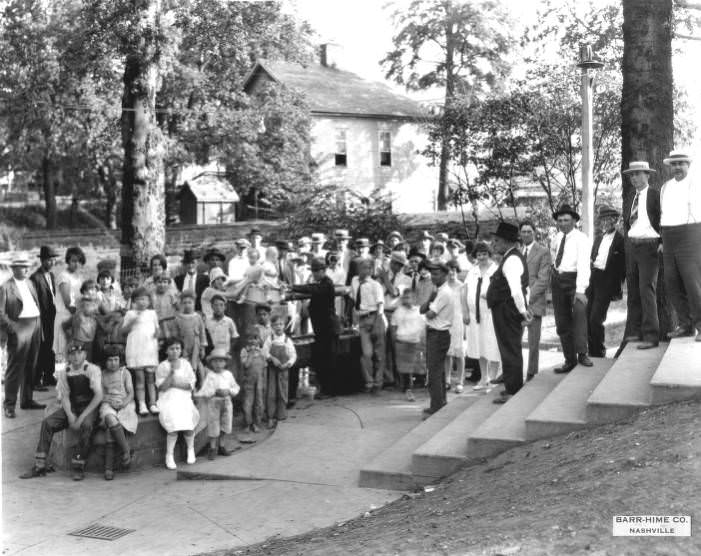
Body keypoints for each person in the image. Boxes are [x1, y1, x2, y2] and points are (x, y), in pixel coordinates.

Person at [20, 341, 103, 480]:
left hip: (89, 408)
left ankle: (78, 465)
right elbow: (64, 396)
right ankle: (40, 465)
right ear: (69, 357)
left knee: (87, 426)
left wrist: (81, 418)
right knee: (48, 423)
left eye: (79, 353)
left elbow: (99, 396)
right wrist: (70, 416)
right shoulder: (66, 372)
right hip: (73, 407)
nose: (76, 357)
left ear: (85, 354)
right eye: (72, 354)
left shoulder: (91, 369)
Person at [659, 150, 701, 341]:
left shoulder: (696, 183)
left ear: (688, 165)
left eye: (681, 163)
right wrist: (662, 240)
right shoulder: (665, 187)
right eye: (674, 164)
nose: (677, 167)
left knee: (693, 284)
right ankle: (685, 325)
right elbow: (663, 215)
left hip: (690, 234)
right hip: (668, 237)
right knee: (672, 283)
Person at [487, 223, 530, 404]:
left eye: (496, 240)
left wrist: (522, 311)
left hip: (508, 310)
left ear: (506, 241)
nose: (493, 244)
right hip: (506, 309)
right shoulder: (508, 257)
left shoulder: (511, 260)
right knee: (508, 347)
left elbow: (516, 289)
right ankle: (511, 387)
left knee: (510, 348)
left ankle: (514, 390)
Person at [622, 161, 662, 349]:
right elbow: (629, 223)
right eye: (631, 175)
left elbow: (664, 219)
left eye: (638, 174)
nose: (634, 178)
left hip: (650, 247)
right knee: (634, 292)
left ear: (647, 175)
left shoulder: (655, 195)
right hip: (633, 246)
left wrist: (662, 242)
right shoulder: (631, 197)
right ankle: (635, 332)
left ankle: (651, 336)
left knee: (647, 290)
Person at [550, 204, 592, 373]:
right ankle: (569, 359)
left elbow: (584, 265)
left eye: (566, 220)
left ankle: (582, 354)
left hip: (575, 281)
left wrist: (580, 289)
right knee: (562, 322)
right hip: (558, 280)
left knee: (579, 318)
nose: (563, 223)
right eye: (560, 220)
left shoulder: (581, 238)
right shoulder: (557, 237)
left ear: (574, 221)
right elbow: (554, 256)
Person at [289, 258, 340, 398]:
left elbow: (312, 288)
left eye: (317, 271)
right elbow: (312, 287)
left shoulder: (327, 284)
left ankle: (329, 390)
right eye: (314, 271)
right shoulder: (320, 283)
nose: (315, 273)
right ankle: (326, 389)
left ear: (324, 270)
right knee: (322, 359)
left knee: (328, 360)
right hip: (322, 329)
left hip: (328, 329)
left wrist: (292, 287)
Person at [0, 258, 44, 417]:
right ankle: (9, 406)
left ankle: (27, 400)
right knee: (14, 368)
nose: (26, 269)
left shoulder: (30, 283)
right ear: (14, 268)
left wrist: (39, 325)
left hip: (35, 325)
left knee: (31, 365)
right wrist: (14, 329)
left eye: (27, 267)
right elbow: (0, 313)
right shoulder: (5, 287)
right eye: (22, 267)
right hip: (20, 327)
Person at [586, 206, 626, 358]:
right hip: (593, 279)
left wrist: (616, 285)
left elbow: (623, 267)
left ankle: (599, 351)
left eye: (609, 219)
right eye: (603, 220)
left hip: (606, 281)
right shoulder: (598, 238)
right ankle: (592, 350)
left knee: (596, 318)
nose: (606, 223)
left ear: (615, 221)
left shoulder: (620, 240)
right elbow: (593, 257)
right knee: (587, 315)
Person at [156, 338, 200, 469]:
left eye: (178, 348)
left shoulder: (185, 364)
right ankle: (169, 455)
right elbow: (163, 387)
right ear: (166, 351)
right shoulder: (162, 366)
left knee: (187, 422)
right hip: (168, 397)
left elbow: (190, 384)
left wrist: (175, 383)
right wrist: (171, 373)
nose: (175, 351)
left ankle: (190, 449)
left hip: (183, 396)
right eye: (172, 349)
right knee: (173, 422)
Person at [463, 243, 501, 391]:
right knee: (479, 346)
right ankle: (483, 378)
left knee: (492, 345)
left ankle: (492, 378)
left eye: (484, 254)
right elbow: (464, 292)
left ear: (489, 254)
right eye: (479, 255)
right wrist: (465, 311)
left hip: (490, 314)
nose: (482, 257)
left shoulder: (495, 270)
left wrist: (491, 296)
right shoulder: (472, 271)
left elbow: (500, 290)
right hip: (474, 316)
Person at [420, 260, 455, 416]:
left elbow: (429, 314)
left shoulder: (445, 293)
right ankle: (441, 402)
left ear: (445, 275)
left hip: (438, 334)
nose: (433, 277)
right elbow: (422, 309)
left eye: (436, 274)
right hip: (436, 333)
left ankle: (436, 406)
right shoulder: (438, 291)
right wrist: (430, 298)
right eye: (432, 274)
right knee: (437, 371)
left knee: (434, 372)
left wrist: (430, 303)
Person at [99, 345, 137, 480]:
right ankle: (126, 450)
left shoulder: (125, 373)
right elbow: (100, 395)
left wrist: (124, 403)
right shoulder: (102, 375)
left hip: (124, 404)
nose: (113, 363)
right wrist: (109, 400)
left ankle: (108, 468)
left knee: (111, 430)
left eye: (116, 359)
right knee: (109, 418)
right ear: (105, 361)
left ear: (120, 360)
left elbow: (131, 392)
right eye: (110, 360)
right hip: (108, 403)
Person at [519, 222, 551, 380]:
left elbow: (543, 279)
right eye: (523, 231)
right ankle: (513, 372)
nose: (526, 234)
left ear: (534, 232)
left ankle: (531, 373)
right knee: (514, 341)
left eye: (529, 231)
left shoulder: (543, 251)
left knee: (533, 343)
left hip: (534, 302)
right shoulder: (517, 252)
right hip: (517, 304)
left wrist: (527, 297)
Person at [122, 287, 160, 415]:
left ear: (149, 301)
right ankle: (142, 404)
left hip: (149, 349)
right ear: (133, 301)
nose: (141, 302)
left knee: (150, 378)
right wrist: (133, 320)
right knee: (139, 379)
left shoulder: (152, 314)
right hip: (136, 349)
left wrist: (157, 334)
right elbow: (124, 331)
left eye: (144, 299)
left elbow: (157, 329)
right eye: (138, 299)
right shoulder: (130, 314)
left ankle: (153, 403)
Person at [350, 258, 386, 394]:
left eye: (366, 268)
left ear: (371, 270)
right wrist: (355, 320)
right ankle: (369, 381)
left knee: (379, 353)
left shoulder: (375, 285)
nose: (363, 270)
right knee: (366, 354)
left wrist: (378, 322)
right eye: (361, 267)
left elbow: (380, 305)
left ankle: (378, 382)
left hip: (375, 316)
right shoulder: (354, 281)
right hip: (362, 319)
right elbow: (354, 301)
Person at [196, 348, 239, 460]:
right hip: (214, 402)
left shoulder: (228, 374)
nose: (218, 364)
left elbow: (235, 387)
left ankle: (222, 445)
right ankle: (212, 447)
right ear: (211, 363)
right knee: (214, 424)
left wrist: (229, 391)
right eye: (215, 361)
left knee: (226, 424)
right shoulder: (210, 376)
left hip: (227, 401)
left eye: (221, 361)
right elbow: (205, 390)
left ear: (225, 363)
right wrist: (214, 392)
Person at [378, 251, 412, 387]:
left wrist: (385, 278)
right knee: (383, 347)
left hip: (395, 313)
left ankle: (401, 380)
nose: (395, 266)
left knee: (396, 346)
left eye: (399, 264)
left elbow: (394, 293)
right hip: (382, 312)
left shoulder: (406, 279)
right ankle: (388, 378)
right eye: (394, 263)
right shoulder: (381, 276)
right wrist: (384, 278)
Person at [30, 246, 59, 390]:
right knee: (41, 348)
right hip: (41, 318)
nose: (52, 262)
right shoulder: (35, 278)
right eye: (49, 260)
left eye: (54, 259)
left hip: (52, 317)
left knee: (50, 347)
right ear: (42, 260)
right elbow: (33, 301)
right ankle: (36, 381)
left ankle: (49, 376)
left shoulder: (51, 276)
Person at [262, 314, 297, 428]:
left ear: (284, 326)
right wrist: (272, 358)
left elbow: (293, 355)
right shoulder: (270, 339)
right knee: (272, 393)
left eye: (281, 324)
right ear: (272, 326)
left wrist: (288, 363)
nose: (278, 327)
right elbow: (264, 352)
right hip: (272, 370)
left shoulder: (287, 340)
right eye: (276, 324)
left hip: (283, 370)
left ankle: (280, 416)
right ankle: (271, 417)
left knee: (282, 392)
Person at [54, 246, 85, 364]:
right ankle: (62, 380)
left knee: (74, 351)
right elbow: (67, 302)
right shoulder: (64, 276)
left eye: (79, 261)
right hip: (66, 316)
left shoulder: (78, 277)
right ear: (68, 261)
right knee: (63, 350)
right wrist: (78, 314)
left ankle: (72, 378)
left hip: (76, 316)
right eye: (73, 261)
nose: (76, 264)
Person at [391, 290, 424, 401]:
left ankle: (413, 386)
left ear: (414, 298)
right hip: (402, 342)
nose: (407, 300)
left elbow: (423, 326)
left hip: (415, 342)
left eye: (409, 297)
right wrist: (395, 340)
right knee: (405, 369)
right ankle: (408, 389)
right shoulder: (398, 312)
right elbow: (394, 327)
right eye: (405, 298)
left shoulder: (419, 311)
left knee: (415, 367)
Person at [174, 291, 208, 384]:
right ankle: (189, 385)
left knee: (197, 363)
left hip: (195, 344)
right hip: (183, 344)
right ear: (181, 304)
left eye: (190, 302)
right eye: (184, 303)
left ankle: (201, 383)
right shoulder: (178, 318)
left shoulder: (198, 317)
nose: (187, 305)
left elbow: (202, 333)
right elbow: (176, 334)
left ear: (194, 303)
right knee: (185, 364)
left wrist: (203, 347)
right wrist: (177, 347)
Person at [445, 260, 466, 393]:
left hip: (458, 321)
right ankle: (447, 379)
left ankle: (460, 380)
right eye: (448, 270)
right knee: (447, 352)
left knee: (459, 353)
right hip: (446, 321)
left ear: (457, 271)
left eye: (453, 269)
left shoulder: (462, 286)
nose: (451, 272)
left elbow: (465, 307)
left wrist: (465, 323)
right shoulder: (443, 286)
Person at [67, 280, 100, 362]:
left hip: (89, 334)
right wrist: (97, 302)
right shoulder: (83, 301)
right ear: (83, 291)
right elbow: (88, 311)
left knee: (88, 356)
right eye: (89, 289)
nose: (91, 292)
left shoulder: (93, 301)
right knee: (81, 356)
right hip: (81, 335)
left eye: (94, 289)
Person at [240, 329, 266, 432]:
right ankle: (247, 423)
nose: (253, 341)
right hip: (248, 381)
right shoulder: (245, 351)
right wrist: (251, 354)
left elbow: (264, 367)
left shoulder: (262, 351)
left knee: (259, 402)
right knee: (248, 402)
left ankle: (256, 423)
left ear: (259, 340)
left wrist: (264, 381)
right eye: (250, 338)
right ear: (247, 340)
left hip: (259, 381)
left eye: (255, 338)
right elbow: (246, 365)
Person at [152, 274, 179, 346]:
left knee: (170, 342)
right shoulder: (152, 295)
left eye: (165, 282)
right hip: (157, 324)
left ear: (169, 284)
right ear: (155, 283)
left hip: (170, 323)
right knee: (159, 343)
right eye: (159, 282)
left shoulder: (171, 294)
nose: (162, 284)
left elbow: (178, 307)